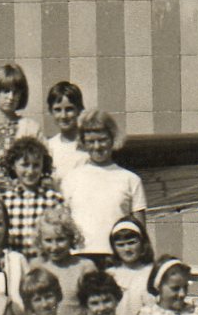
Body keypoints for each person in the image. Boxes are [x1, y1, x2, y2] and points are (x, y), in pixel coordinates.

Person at [59, 111, 145, 262]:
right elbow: (63, 223)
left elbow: (140, 231)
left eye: (102, 140)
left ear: (113, 139)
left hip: (117, 258)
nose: (97, 146)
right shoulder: (71, 178)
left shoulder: (131, 180)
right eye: (91, 141)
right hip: (79, 258)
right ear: (83, 143)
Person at [0, 62, 41, 186]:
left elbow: (43, 166)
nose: (11, 97)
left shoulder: (31, 128)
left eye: (16, 92)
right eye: (6, 91)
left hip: (21, 197)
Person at [0, 137, 65, 257]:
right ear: (13, 165)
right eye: (25, 165)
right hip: (14, 264)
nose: (31, 171)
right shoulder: (4, 200)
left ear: (43, 166)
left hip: (43, 264)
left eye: (36, 165)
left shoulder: (53, 200)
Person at [27, 207, 94, 315]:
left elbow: (93, 306)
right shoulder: (36, 266)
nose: (55, 247)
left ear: (71, 238)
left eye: (61, 239)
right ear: (40, 241)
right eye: (48, 240)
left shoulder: (84, 267)